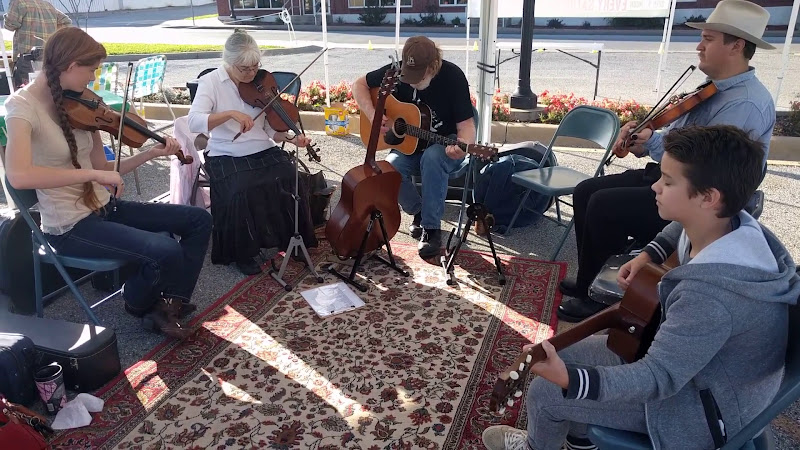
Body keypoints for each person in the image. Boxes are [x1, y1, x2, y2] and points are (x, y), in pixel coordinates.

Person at [482, 125, 800, 450]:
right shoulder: (731, 223)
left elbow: (657, 378)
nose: (656, 188)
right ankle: (581, 440)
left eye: (668, 181)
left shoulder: (711, 297)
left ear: (708, 197)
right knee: (562, 353)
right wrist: (651, 253)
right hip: (699, 373)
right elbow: (681, 227)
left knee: (547, 392)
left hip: (697, 411)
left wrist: (568, 380)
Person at [557, 0, 777, 322]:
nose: (699, 47)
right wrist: (645, 134)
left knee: (604, 205)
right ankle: (592, 278)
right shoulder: (716, 89)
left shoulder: (744, 104)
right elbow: (679, 135)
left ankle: (602, 301)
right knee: (586, 190)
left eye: (709, 39)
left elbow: (704, 168)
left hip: (699, 200)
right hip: (671, 179)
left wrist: (654, 142)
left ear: (737, 45)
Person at [3, 27, 212, 340]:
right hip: (70, 226)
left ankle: (169, 304)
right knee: (166, 250)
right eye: (91, 70)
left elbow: (104, 168)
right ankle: (136, 299)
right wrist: (93, 175)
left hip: (104, 207)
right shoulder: (21, 108)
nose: (93, 79)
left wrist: (150, 152)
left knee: (198, 219)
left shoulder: (81, 104)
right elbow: (19, 175)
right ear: (70, 66)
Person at [187, 29, 317, 276]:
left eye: (254, 66)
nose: (251, 74)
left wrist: (291, 138)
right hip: (225, 151)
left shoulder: (261, 82)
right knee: (240, 189)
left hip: (261, 147)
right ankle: (242, 252)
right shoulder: (211, 82)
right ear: (228, 63)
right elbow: (194, 122)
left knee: (292, 176)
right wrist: (229, 114)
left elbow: (270, 129)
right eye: (244, 69)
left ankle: (289, 238)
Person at [351, 36, 476, 259]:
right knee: (388, 168)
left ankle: (431, 230)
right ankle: (419, 212)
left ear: (433, 65)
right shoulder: (397, 71)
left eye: (418, 76)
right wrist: (373, 115)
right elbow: (359, 84)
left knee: (432, 157)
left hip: (442, 142)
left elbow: (466, 125)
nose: (410, 82)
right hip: (408, 144)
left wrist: (462, 145)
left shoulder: (453, 77)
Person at [3, 0, 72, 88]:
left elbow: (10, 25)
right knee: (47, 92)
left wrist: (8, 14)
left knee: (25, 94)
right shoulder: (46, 4)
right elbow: (66, 22)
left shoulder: (18, 2)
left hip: (27, 57)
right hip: (48, 57)